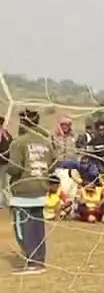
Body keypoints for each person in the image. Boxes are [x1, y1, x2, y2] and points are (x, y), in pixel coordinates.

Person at [5, 110, 54, 274]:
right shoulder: (46, 142)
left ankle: (32, 262)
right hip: (41, 188)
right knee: (37, 227)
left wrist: (6, 163)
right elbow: (54, 163)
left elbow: (14, 168)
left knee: (23, 229)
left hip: (23, 191)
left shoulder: (19, 142)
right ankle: (39, 261)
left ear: (23, 123)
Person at [50, 116, 78, 199]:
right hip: (59, 168)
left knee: (73, 194)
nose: (65, 126)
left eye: (68, 124)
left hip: (73, 169)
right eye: (63, 124)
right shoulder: (54, 137)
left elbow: (80, 151)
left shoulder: (75, 137)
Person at [0, 115, 12, 209]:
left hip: (3, 162)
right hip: (4, 161)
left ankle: (5, 202)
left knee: (4, 183)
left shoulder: (5, 135)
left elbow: (8, 148)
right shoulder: (5, 134)